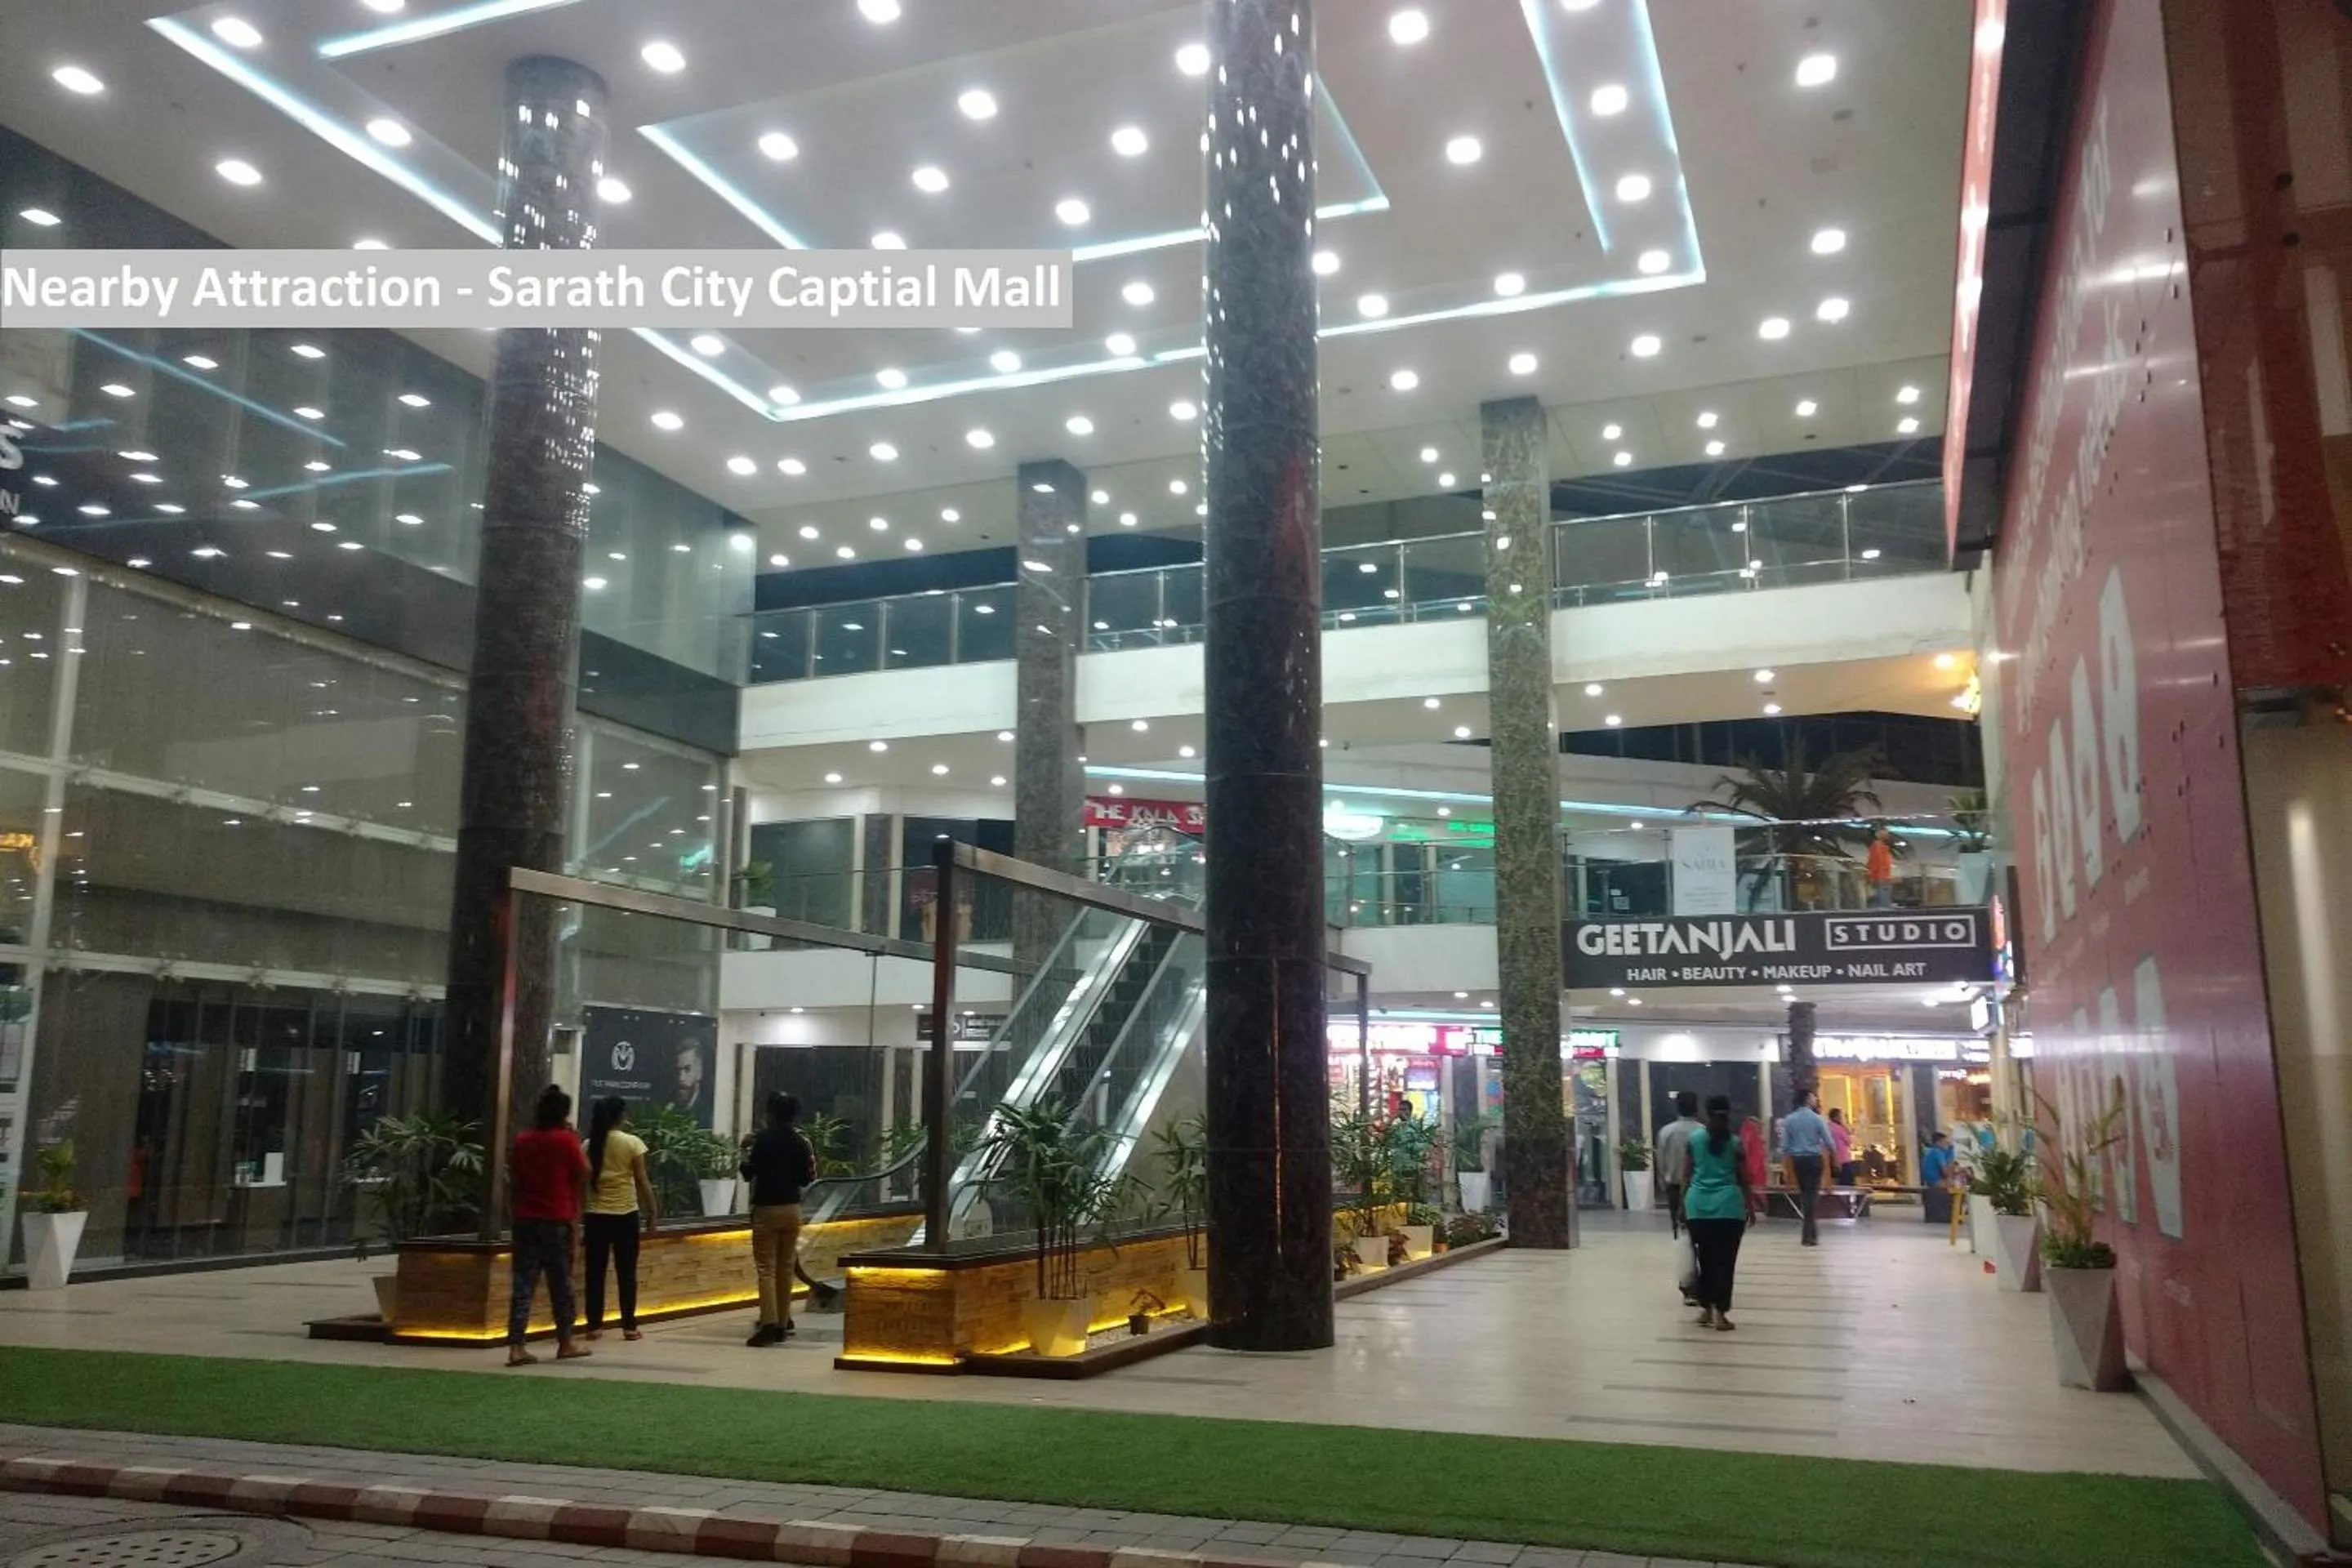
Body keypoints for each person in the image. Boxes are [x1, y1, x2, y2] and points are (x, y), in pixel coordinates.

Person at [506, 1084, 591, 1367]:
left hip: (526, 1219)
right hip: (557, 1219)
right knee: (561, 1284)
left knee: (523, 1284)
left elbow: (515, 1182)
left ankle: (517, 1345)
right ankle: (565, 1342)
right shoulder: (566, 1141)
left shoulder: (523, 1140)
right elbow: (585, 1172)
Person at [740, 1091, 817, 1347]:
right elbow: (808, 1178)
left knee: (766, 1269)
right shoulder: (800, 1141)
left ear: (770, 1113)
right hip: (793, 1209)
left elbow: (748, 1173)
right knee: (785, 1268)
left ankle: (769, 1323)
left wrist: (744, 1151)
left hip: (767, 1209)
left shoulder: (761, 1140)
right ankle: (784, 1324)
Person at [581, 1096, 659, 1343]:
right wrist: (653, 1210)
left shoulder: (588, 1145)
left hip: (595, 1217)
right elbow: (641, 1179)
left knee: (595, 1273)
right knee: (627, 1273)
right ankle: (629, 1326)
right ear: (620, 1116)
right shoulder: (632, 1143)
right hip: (625, 1215)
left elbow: (583, 1184)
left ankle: (594, 1326)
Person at [1683, 1094, 1753, 1330]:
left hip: (1698, 1208)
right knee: (1725, 1262)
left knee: (1704, 1258)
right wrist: (1751, 1206)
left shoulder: (1694, 1140)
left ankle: (1706, 1309)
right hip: (1729, 1209)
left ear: (1707, 1113)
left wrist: (1681, 1208)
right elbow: (1745, 1179)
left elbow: (1686, 1175)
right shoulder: (1735, 1143)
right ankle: (1720, 1314)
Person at [1781, 1089, 1831, 1246]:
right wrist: (1834, 1155)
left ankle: (1812, 1234)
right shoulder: (1817, 1119)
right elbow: (1829, 1142)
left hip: (1798, 1161)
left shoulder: (1789, 1120)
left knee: (1806, 1195)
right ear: (1807, 1099)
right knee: (1811, 1195)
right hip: (1814, 1160)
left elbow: (1785, 1146)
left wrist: (1786, 1165)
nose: (1815, 1099)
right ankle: (1807, 1235)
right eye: (1813, 1097)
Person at [1655, 1091, 1703, 1241]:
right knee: (1698, 1224)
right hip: (1698, 1185)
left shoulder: (1666, 1131)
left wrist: (1663, 1182)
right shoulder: (1704, 1131)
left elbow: (1660, 1160)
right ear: (1696, 1108)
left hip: (1674, 1186)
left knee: (1677, 1223)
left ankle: (1681, 1253)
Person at [1738, 1115, 1770, 1219]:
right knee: (1757, 1190)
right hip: (1756, 1169)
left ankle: (1752, 1209)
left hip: (1751, 1167)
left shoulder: (1745, 1133)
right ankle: (1760, 1209)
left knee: (1750, 1191)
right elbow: (1754, 1153)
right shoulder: (1753, 1132)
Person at [1866, 826, 1896, 907]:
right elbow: (1875, 862)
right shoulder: (1877, 846)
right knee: (1883, 902)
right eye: (1885, 833)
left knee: (1883, 900)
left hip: (1884, 877)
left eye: (1887, 834)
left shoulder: (1883, 847)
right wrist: (1875, 877)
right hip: (1881, 878)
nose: (1887, 836)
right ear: (1878, 835)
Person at [1827, 1106, 1856, 1187]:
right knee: (1847, 1182)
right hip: (1844, 1159)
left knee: (1837, 1183)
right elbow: (1849, 1142)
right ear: (1837, 1117)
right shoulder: (1840, 1128)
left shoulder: (1827, 1126)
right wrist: (1849, 1132)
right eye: (1841, 1116)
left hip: (1832, 1158)